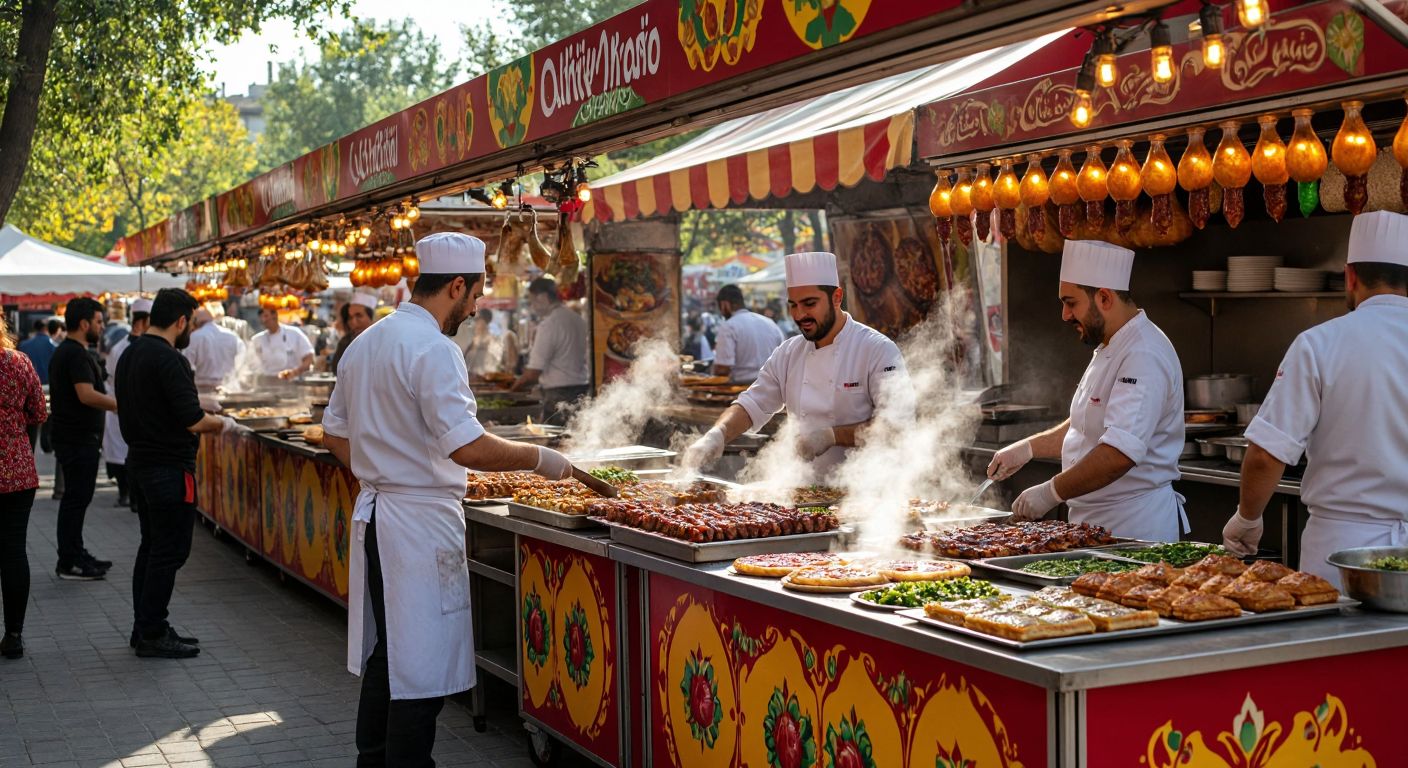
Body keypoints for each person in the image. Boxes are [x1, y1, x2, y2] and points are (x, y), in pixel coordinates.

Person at [320, 232, 573, 767]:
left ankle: (374, 759)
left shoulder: (366, 341)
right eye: (476, 293)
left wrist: (378, 472)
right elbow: (467, 446)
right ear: (456, 285)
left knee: (390, 656)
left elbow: (333, 435)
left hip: (379, 515)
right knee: (422, 666)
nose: (477, 306)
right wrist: (538, 458)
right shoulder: (434, 348)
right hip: (418, 527)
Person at [1222, 211, 1408, 584]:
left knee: (1341, 644)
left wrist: (1247, 519)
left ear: (1350, 276)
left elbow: (1264, 455)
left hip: (1343, 552)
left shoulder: (1319, 343)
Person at [987, 240, 1187, 541]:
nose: (1065, 315)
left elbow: (1119, 452)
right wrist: (1027, 448)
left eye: (1071, 303)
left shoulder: (1143, 353)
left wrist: (1050, 492)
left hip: (1134, 532)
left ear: (1104, 298)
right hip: (1094, 526)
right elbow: (1085, 425)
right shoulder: (1110, 345)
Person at [683, 252, 913, 478]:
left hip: (868, 493)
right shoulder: (789, 352)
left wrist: (832, 436)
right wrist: (716, 435)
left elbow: (895, 425)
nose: (800, 314)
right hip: (805, 490)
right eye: (793, 305)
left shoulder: (878, 349)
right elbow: (752, 402)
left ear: (837, 297)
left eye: (809, 303)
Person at [117, 288, 245, 658]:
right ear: (180, 321)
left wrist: (201, 403)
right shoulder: (170, 358)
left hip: (139, 465)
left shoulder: (131, 353)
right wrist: (224, 424)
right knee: (169, 551)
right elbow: (192, 421)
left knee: (152, 547)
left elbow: (161, 404)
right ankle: (153, 631)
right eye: (189, 321)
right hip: (169, 469)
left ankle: (144, 627)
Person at [48, 297, 117, 581]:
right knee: (76, 500)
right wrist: (120, 404)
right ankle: (69, 561)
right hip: (77, 440)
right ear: (84, 323)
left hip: (76, 438)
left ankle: (76, 553)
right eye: (99, 322)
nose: (102, 327)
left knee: (77, 499)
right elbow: (86, 394)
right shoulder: (74, 354)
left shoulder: (72, 351)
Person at [0, 313, 46, 660]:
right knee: (13, 551)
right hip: (17, 471)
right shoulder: (18, 362)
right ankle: (14, 634)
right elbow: (38, 412)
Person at [511, 277, 590, 425]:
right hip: (582, 391)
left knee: (557, 443)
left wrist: (512, 391)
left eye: (532, 300)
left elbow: (533, 372)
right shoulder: (577, 319)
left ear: (543, 297)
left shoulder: (549, 325)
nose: (532, 306)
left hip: (559, 396)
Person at [102, 298, 152, 509]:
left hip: (131, 407)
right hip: (120, 406)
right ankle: (126, 493)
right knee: (121, 452)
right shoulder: (120, 348)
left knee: (129, 452)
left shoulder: (121, 347)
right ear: (145, 320)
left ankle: (132, 495)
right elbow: (112, 378)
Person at [712, 284, 785, 384]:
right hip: (772, 389)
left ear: (725, 304)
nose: (721, 311)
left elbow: (723, 369)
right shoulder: (770, 323)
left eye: (720, 306)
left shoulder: (729, 326)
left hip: (741, 391)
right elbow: (783, 360)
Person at [183, 307, 245, 395]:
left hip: (203, 391)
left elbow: (186, 366)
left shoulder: (194, 337)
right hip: (228, 389)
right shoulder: (232, 336)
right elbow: (243, 361)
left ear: (195, 322)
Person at [250, 307, 315, 379]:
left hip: (293, 381)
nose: (264, 320)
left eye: (266, 316)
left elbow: (309, 357)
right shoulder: (257, 339)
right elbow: (251, 364)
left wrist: (295, 372)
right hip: (267, 381)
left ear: (275, 316)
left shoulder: (294, 333)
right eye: (261, 317)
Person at [331, 293, 378, 376]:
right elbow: (336, 370)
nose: (353, 322)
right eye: (350, 317)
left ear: (372, 317)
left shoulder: (383, 341)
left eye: (359, 315)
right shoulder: (345, 342)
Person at [464, 309, 520, 378]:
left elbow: (499, 361)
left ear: (485, 321)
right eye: (476, 321)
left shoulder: (495, 340)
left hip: (488, 378)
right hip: (473, 378)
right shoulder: (473, 341)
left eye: (478, 320)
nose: (475, 324)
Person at [17, 319, 57, 386]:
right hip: (48, 383)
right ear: (46, 328)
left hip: (30, 384)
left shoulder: (23, 345)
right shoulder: (53, 345)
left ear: (34, 328)